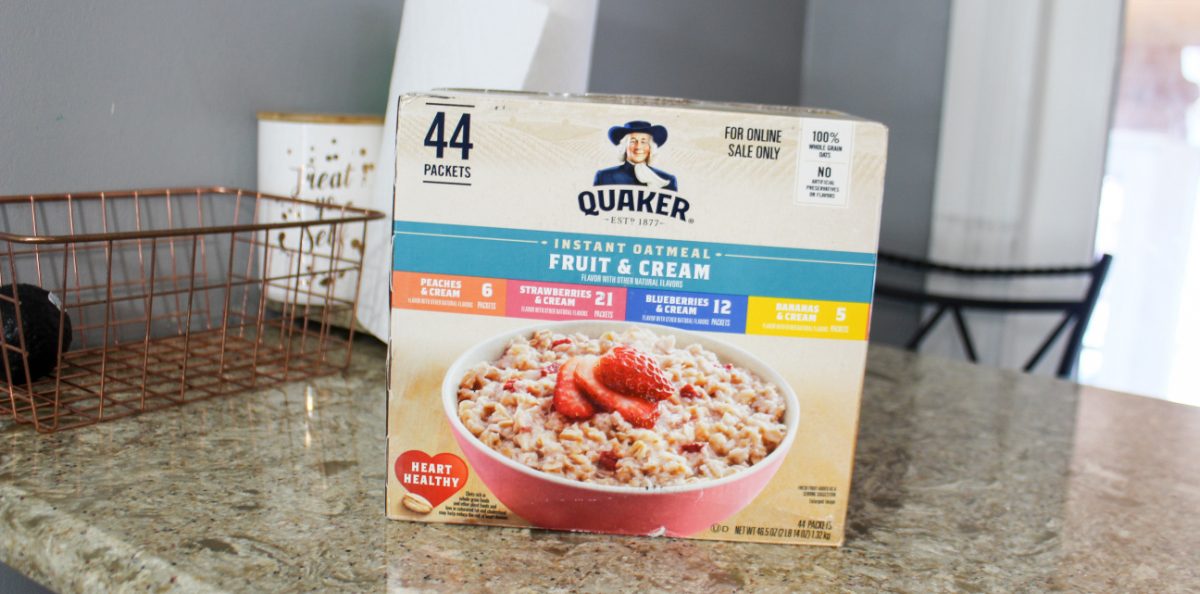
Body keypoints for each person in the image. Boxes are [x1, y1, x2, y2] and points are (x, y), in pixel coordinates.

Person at [593, 120, 678, 191]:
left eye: (643, 142)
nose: (638, 147)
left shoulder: (667, 180)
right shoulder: (604, 177)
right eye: (633, 142)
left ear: (650, 147)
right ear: (624, 147)